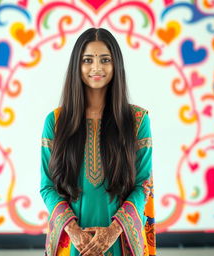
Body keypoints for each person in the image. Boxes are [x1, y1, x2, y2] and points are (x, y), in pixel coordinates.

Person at [40, 27, 156, 256]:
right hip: (73, 242)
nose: (96, 68)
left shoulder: (137, 120)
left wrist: (112, 232)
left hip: (120, 240)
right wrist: (74, 231)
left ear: (116, 66)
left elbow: (144, 185)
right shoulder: (56, 121)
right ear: (77, 65)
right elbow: (47, 186)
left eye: (105, 59)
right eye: (87, 60)